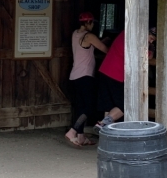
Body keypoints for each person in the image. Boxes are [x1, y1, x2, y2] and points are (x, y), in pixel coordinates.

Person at [97, 26, 156, 128]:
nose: (151, 42)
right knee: (126, 105)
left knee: (109, 105)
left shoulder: (125, 33)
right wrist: (151, 51)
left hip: (104, 70)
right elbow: (146, 56)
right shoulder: (136, 39)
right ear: (145, 33)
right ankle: (103, 124)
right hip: (116, 75)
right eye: (151, 38)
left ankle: (104, 132)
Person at [66, 12, 108, 148]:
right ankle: (72, 131)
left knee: (81, 107)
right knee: (89, 107)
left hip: (75, 75)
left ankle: (81, 136)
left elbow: (89, 48)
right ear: (88, 22)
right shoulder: (89, 36)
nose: (93, 25)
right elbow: (104, 49)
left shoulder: (75, 34)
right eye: (92, 23)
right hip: (85, 76)